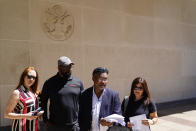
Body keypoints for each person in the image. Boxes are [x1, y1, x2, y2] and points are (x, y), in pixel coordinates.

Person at [41, 56, 84, 131]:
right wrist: (45, 119)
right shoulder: (50, 82)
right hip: (54, 126)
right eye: (66, 67)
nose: (69, 68)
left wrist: (81, 121)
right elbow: (43, 101)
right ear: (59, 67)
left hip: (73, 126)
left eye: (70, 66)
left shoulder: (78, 83)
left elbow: (83, 103)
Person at [79, 67, 121, 131]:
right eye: (100, 79)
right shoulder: (84, 95)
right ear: (93, 78)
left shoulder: (113, 95)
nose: (103, 82)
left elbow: (118, 117)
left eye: (105, 79)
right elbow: (80, 117)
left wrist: (111, 122)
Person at [4, 66, 42, 131]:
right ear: (24, 77)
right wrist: (26, 116)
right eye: (29, 76)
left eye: (34, 78)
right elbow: (6, 114)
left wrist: (38, 113)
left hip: (34, 127)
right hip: (20, 128)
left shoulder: (35, 93)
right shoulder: (17, 93)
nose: (31, 79)